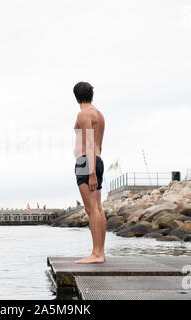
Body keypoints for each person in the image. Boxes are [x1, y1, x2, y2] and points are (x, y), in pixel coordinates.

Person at [72, 81, 106, 264]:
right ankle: (100, 252)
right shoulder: (99, 115)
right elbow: (99, 145)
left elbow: (91, 142)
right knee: (98, 208)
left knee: (91, 209)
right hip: (97, 160)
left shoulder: (83, 114)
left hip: (87, 162)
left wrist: (91, 172)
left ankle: (96, 253)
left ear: (76, 96)